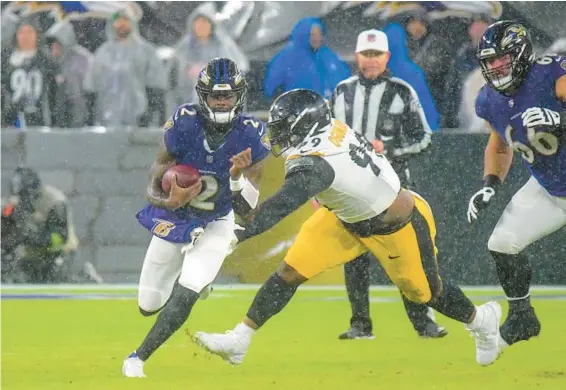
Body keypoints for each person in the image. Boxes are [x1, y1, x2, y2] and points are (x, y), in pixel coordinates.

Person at [194, 89, 502, 367]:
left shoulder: (317, 161)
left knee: (427, 293)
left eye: (285, 126)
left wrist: (234, 235)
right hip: (344, 217)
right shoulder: (329, 129)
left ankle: (482, 322)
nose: (278, 133)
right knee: (289, 271)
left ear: (305, 125)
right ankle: (240, 340)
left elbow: (275, 208)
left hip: (397, 223)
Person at [122, 58, 271, 378]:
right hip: (177, 218)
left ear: (239, 97)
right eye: (216, 96)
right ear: (202, 95)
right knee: (148, 304)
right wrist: (167, 199)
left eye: (227, 96)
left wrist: (235, 178)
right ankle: (196, 278)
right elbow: (154, 177)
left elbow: (248, 209)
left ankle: (138, 357)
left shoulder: (251, 134)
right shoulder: (185, 122)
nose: (221, 101)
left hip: (217, 222)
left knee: (188, 288)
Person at [331, 29, 445, 340]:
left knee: (406, 255)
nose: (370, 61)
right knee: (354, 257)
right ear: (356, 56)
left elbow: (424, 139)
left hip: (392, 189)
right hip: (351, 189)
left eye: (376, 54)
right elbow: (326, 141)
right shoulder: (341, 92)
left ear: (387, 56)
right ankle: (360, 324)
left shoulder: (402, 91)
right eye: (365, 54)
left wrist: (390, 149)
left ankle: (423, 321)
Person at [467, 21, 566, 361]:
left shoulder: (551, 74)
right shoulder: (489, 100)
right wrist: (490, 185)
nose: (495, 67)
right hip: (550, 188)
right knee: (502, 244)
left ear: (521, 52)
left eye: (501, 58)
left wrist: (560, 119)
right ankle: (522, 317)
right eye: (489, 61)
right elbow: (499, 145)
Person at [1, 167, 80, 283]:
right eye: (21, 195)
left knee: (52, 287)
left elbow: (60, 237)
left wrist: (33, 237)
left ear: (35, 190)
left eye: (26, 195)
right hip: (30, 257)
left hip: (59, 254)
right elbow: (5, 228)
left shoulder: (55, 201)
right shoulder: (13, 203)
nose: (23, 199)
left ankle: (83, 278)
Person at [263, 17, 351, 100]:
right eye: (312, 34)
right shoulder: (286, 58)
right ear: (303, 35)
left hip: (325, 109)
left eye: (320, 34)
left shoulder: (328, 56)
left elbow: (343, 80)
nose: (317, 38)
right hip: (296, 109)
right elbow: (272, 87)